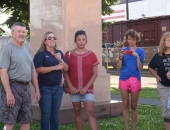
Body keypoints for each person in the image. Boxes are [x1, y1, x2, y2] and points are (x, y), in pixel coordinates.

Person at [0, 22, 40, 130]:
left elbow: (32, 70)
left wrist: (37, 89)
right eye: (18, 31)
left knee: (26, 121)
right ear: (12, 33)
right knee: (10, 122)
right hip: (13, 87)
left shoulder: (27, 49)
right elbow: (3, 71)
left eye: (23, 32)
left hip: (26, 89)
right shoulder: (7, 49)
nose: (21, 34)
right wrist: (8, 93)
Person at [63, 30, 99, 130]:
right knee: (77, 111)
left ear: (86, 41)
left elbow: (95, 73)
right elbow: (65, 72)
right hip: (73, 89)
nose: (81, 41)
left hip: (87, 89)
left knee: (90, 113)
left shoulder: (92, 55)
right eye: (79, 39)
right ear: (75, 41)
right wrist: (70, 86)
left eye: (83, 39)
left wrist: (86, 88)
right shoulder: (68, 54)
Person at [33, 31, 68, 130]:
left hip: (58, 88)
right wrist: (54, 67)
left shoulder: (59, 53)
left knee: (55, 115)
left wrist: (61, 60)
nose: (52, 40)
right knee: (46, 115)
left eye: (54, 38)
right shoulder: (41, 54)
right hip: (45, 88)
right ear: (45, 41)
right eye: (50, 38)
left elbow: (66, 68)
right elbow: (37, 69)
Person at [117, 29, 145, 130]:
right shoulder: (123, 51)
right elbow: (118, 68)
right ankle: (126, 128)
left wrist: (137, 57)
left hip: (135, 79)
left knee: (133, 105)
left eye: (132, 39)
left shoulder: (140, 51)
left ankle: (134, 128)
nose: (130, 41)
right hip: (124, 78)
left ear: (136, 39)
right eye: (129, 39)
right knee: (125, 104)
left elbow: (140, 68)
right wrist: (120, 57)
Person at [148, 31, 170, 130]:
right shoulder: (158, 55)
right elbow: (150, 67)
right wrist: (157, 76)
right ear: (163, 41)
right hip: (163, 86)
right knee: (166, 110)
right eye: (168, 40)